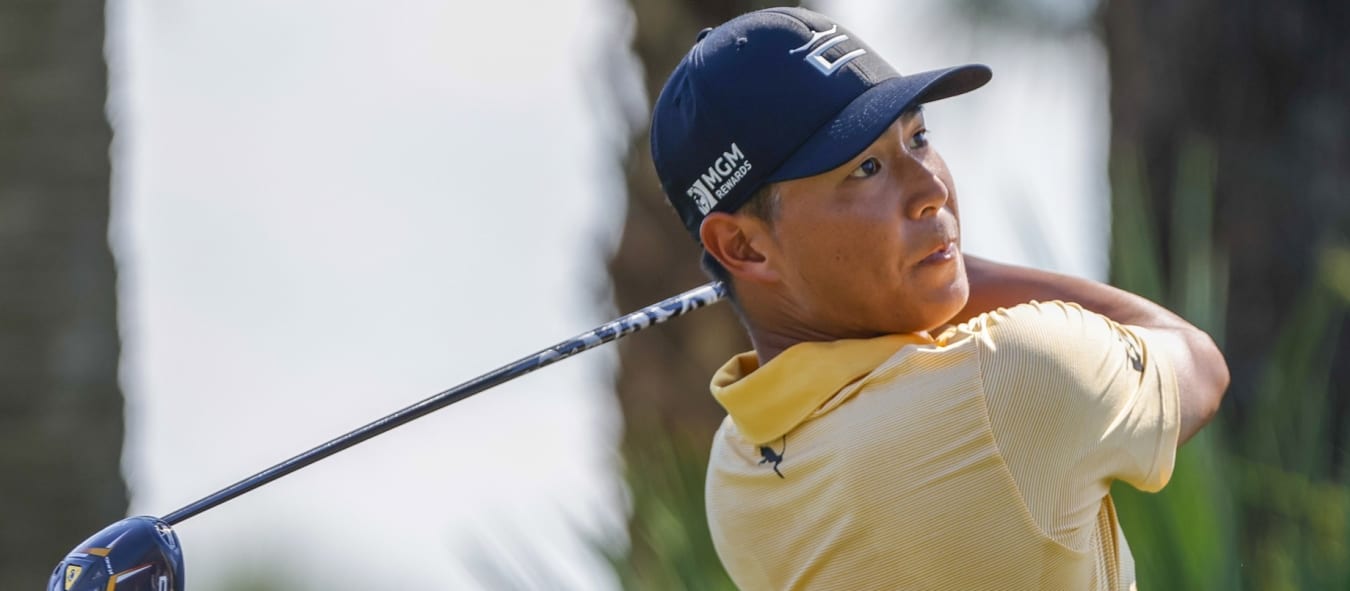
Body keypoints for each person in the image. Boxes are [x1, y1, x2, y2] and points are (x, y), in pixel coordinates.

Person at [648, 7, 1229, 590]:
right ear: (743, 247)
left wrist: (915, 257)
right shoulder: (1006, 380)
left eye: (918, 137)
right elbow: (1198, 362)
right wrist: (949, 259)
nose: (932, 189)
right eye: (866, 168)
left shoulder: (738, 471)